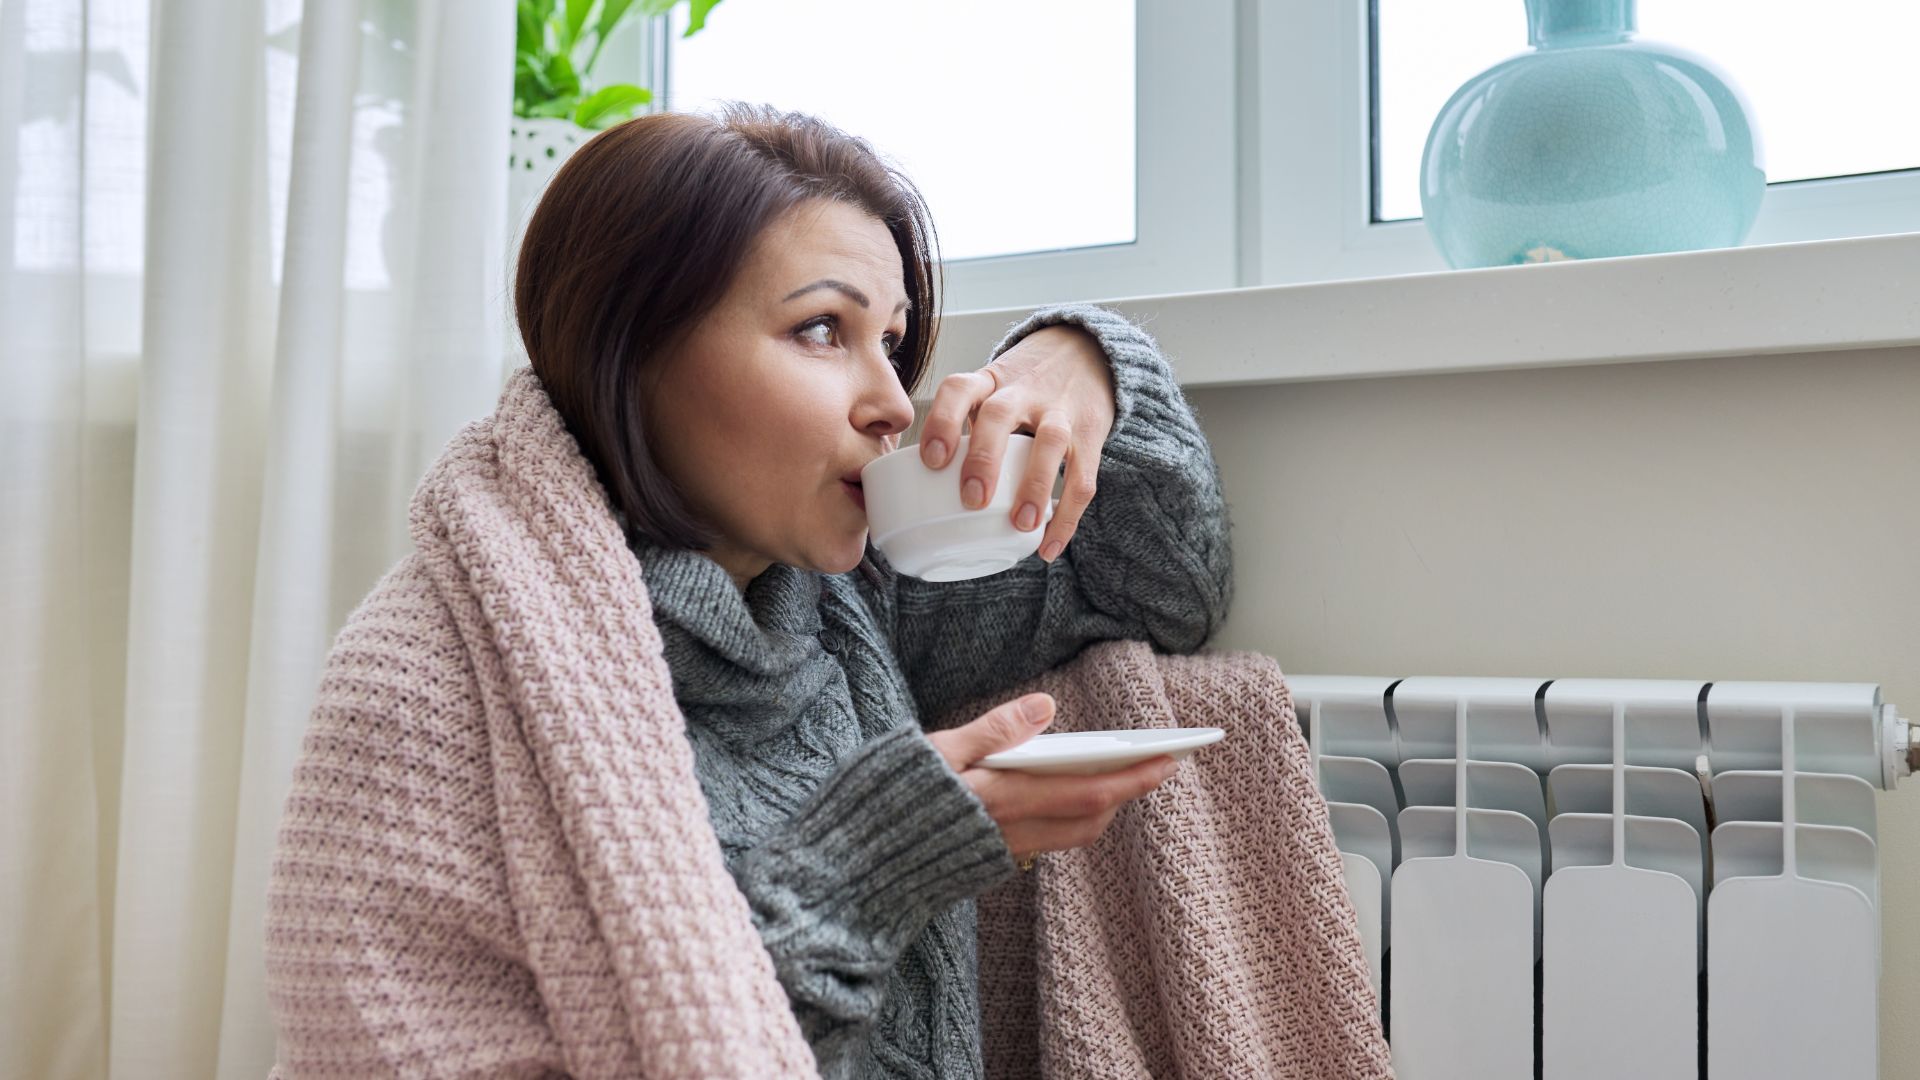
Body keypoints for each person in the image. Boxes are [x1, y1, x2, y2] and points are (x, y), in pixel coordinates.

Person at [270, 104, 1233, 1078]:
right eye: (822, 329)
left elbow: (1162, 582)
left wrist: (1076, 359)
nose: (895, 403)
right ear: (634, 351)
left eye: (893, 341)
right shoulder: (426, 683)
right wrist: (870, 864)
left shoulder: (850, 601)